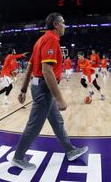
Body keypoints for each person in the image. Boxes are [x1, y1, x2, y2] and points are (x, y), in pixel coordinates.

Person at [12, 12, 88, 170]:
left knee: (57, 121)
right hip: (44, 88)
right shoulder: (51, 39)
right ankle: (18, 157)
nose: (65, 26)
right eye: (63, 23)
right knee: (34, 125)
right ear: (56, 24)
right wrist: (59, 98)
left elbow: (31, 67)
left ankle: (70, 150)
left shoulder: (40, 40)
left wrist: (24, 89)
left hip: (38, 85)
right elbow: (47, 71)